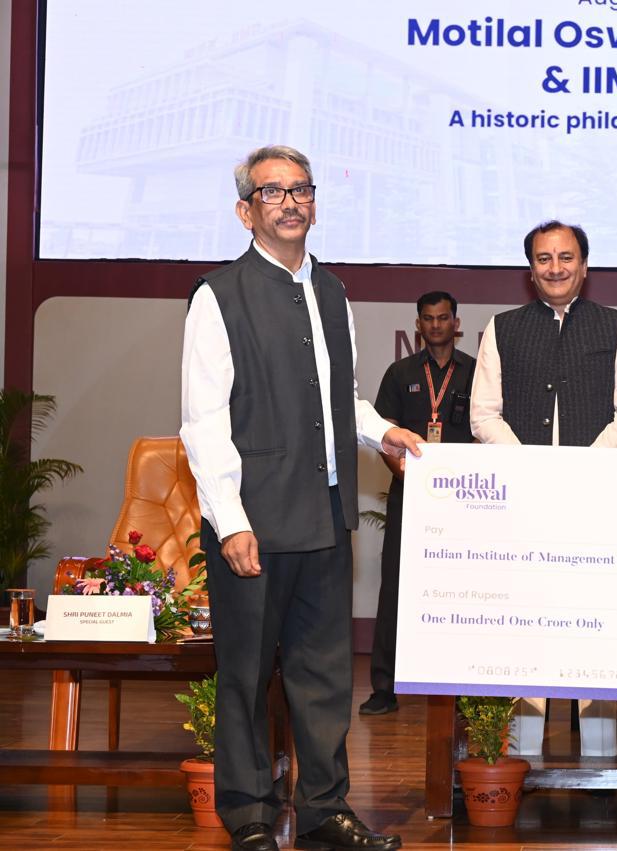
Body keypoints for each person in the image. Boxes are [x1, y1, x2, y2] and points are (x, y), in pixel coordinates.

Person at [181, 145, 420, 851]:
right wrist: (230, 521)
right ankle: (250, 813)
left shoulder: (334, 291)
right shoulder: (218, 295)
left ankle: (323, 809)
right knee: (247, 674)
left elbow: (343, 397)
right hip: (254, 521)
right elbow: (203, 422)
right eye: (273, 191)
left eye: (301, 190)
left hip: (325, 514)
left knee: (322, 677)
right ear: (245, 211)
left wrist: (382, 431)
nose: (290, 202)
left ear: (315, 202)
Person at [470, 219, 617, 756]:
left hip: (597, 502)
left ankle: (599, 759)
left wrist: (581, 471)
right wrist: (529, 470)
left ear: (584, 266)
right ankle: (521, 757)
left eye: (566, 257)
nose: (555, 268)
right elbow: (483, 415)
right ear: (530, 270)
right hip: (522, 505)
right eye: (544, 259)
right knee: (526, 625)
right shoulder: (502, 327)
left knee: (595, 625)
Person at [359, 291, 476, 716]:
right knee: (395, 587)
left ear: (456, 323)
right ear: (418, 325)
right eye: (428, 318)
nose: (436, 325)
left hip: (466, 502)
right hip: (408, 494)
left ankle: (464, 688)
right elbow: (384, 436)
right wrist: (411, 478)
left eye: (443, 318)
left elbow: (487, 433)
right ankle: (384, 688)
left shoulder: (476, 372)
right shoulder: (400, 373)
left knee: (465, 591)